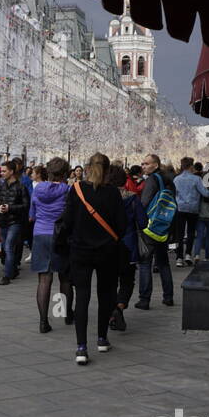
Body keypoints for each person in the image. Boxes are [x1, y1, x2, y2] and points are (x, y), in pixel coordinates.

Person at [58, 152, 127, 364]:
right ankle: (102, 338)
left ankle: (81, 347)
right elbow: (122, 225)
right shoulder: (113, 193)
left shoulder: (76, 190)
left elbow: (67, 222)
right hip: (107, 251)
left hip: (81, 251)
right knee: (106, 295)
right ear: (108, 171)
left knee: (82, 298)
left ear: (87, 168)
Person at [30, 157, 73, 333]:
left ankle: (43, 321)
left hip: (40, 233)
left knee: (44, 278)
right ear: (64, 173)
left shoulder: (37, 189)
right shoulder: (68, 190)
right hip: (60, 236)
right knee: (65, 278)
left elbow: (31, 214)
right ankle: (65, 313)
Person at [108, 165, 145, 332]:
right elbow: (143, 222)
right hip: (128, 244)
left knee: (108, 280)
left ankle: (110, 311)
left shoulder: (103, 198)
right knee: (127, 279)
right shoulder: (132, 198)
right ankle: (120, 306)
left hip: (107, 244)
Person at [137, 153, 175, 309]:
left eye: (146, 163)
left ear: (156, 165)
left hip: (150, 226)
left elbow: (144, 202)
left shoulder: (152, 180)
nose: (143, 166)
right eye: (142, 163)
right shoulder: (168, 179)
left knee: (145, 263)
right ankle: (168, 297)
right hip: (164, 226)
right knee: (163, 262)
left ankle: (144, 299)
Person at [172, 156, 209, 267]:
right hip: (193, 209)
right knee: (190, 233)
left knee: (179, 234)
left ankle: (179, 257)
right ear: (191, 166)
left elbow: (175, 194)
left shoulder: (176, 179)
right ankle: (188, 254)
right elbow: (205, 193)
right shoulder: (196, 179)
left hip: (180, 208)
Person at [0, 159, 29, 285]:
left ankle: (6, 276)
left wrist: (9, 207)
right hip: (2, 221)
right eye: (1, 171)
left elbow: (26, 206)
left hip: (15, 222)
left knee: (8, 247)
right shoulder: (1, 186)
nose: (1, 173)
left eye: (4, 171)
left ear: (11, 171)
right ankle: (13, 270)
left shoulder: (21, 187)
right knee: (5, 248)